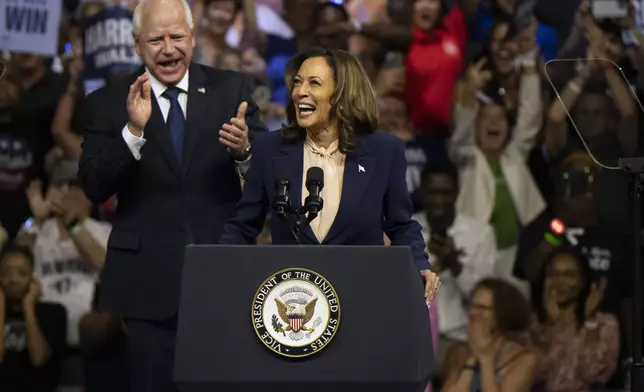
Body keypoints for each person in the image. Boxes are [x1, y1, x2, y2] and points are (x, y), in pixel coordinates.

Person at [76, 0, 267, 390]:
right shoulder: (108, 102)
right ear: (136, 45)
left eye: (177, 36)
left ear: (193, 37)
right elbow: (93, 185)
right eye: (156, 39)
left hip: (221, 270)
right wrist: (132, 132)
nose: (168, 49)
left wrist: (246, 152)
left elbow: (267, 174)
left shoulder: (231, 89)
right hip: (147, 279)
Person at [219, 48, 440, 301]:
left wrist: (420, 265)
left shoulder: (384, 152)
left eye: (314, 83)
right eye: (298, 82)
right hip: (293, 302)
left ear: (341, 95)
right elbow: (244, 225)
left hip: (360, 296)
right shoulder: (270, 149)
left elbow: (400, 224)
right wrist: (216, 265)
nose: (300, 91)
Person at [441, 278, 537, 392]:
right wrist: (472, 358)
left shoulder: (524, 359)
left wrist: (486, 359)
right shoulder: (457, 353)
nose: (473, 313)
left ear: (503, 313)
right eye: (472, 306)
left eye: (482, 308)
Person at [0, 245, 67, 392]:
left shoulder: (54, 312)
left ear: (33, 277)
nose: (13, 280)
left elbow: (38, 359)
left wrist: (28, 307)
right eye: (5, 273)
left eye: (22, 273)